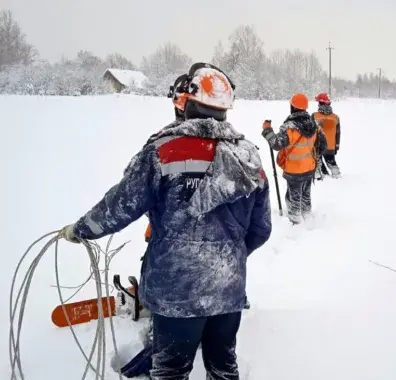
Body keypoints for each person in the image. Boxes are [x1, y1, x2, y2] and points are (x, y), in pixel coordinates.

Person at [59, 62, 272, 380]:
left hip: (176, 291)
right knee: (223, 366)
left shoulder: (162, 151)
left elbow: (121, 206)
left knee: (170, 369)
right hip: (227, 289)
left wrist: (81, 229)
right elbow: (261, 228)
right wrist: (229, 255)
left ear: (188, 101)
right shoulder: (250, 157)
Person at [262, 93, 327, 225]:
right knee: (306, 194)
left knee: (294, 197)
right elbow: (323, 145)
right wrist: (312, 156)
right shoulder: (314, 125)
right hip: (309, 168)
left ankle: (296, 223)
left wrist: (268, 131)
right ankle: (307, 216)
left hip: (294, 170)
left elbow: (276, 144)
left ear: (293, 106)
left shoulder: (289, 127)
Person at [312, 92, 341, 178]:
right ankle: (337, 175)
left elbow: (311, 132)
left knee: (318, 163)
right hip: (331, 146)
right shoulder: (335, 117)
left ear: (320, 103)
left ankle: (322, 177)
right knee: (331, 162)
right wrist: (337, 146)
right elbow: (338, 133)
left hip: (318, 146)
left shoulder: (314, 116)